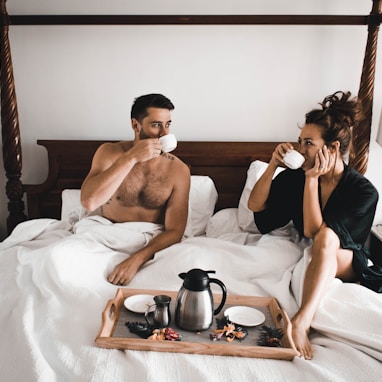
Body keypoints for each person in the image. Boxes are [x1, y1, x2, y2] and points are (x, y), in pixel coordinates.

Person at [247, 91, 379, 360]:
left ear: (331, 149)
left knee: (327, 238)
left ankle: (302, 319)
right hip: (319, 249)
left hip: (347, 260)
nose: (300, 149)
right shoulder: (296, 177)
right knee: (323, 240)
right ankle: (302, 320)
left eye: (308, 143)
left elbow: (315, 233)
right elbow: (255, 206)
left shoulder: (363, 192)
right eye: (299, 141)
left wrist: (311, 180)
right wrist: (272, 165)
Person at [81, 93, 191, 286]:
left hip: (151, 245)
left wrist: (136, 260)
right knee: (56, 261)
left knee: (188, 273)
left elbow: (175, 231)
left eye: (168, 124)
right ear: (135, 125)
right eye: (156, 125)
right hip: (106, 238)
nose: (165, 133)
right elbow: (89, 201)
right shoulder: (109, 153)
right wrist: (131, 158)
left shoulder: (179, 170)